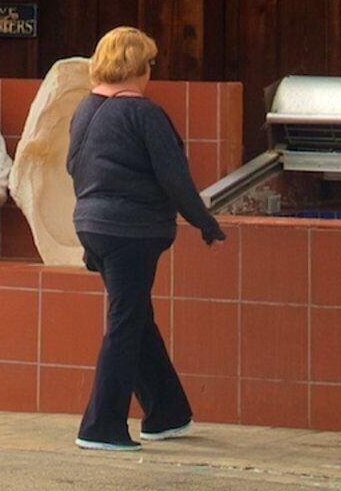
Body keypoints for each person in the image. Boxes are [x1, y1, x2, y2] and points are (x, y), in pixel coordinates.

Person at [66, 25, 225, 451]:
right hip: (131, 230)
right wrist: (204, 222)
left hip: (93, 225)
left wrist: (89, 227)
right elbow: (175, 177)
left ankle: (167, 413)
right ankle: (101, 426)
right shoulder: (145, 114)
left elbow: (74, 166)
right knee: (126, 320)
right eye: (150, 63)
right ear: (137, 66)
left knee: (134, 316)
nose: (152, 71)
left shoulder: (85, 110)